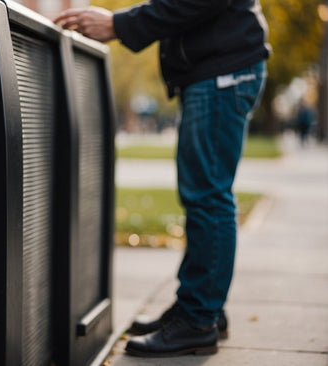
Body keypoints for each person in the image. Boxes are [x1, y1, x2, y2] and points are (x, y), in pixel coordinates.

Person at [54, 0, 270, 358]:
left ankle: (198, 319)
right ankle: (201, 307)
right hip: (218, 69)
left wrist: (119, 25)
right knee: (205, 194)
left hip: (222, 72)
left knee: (208, 195)